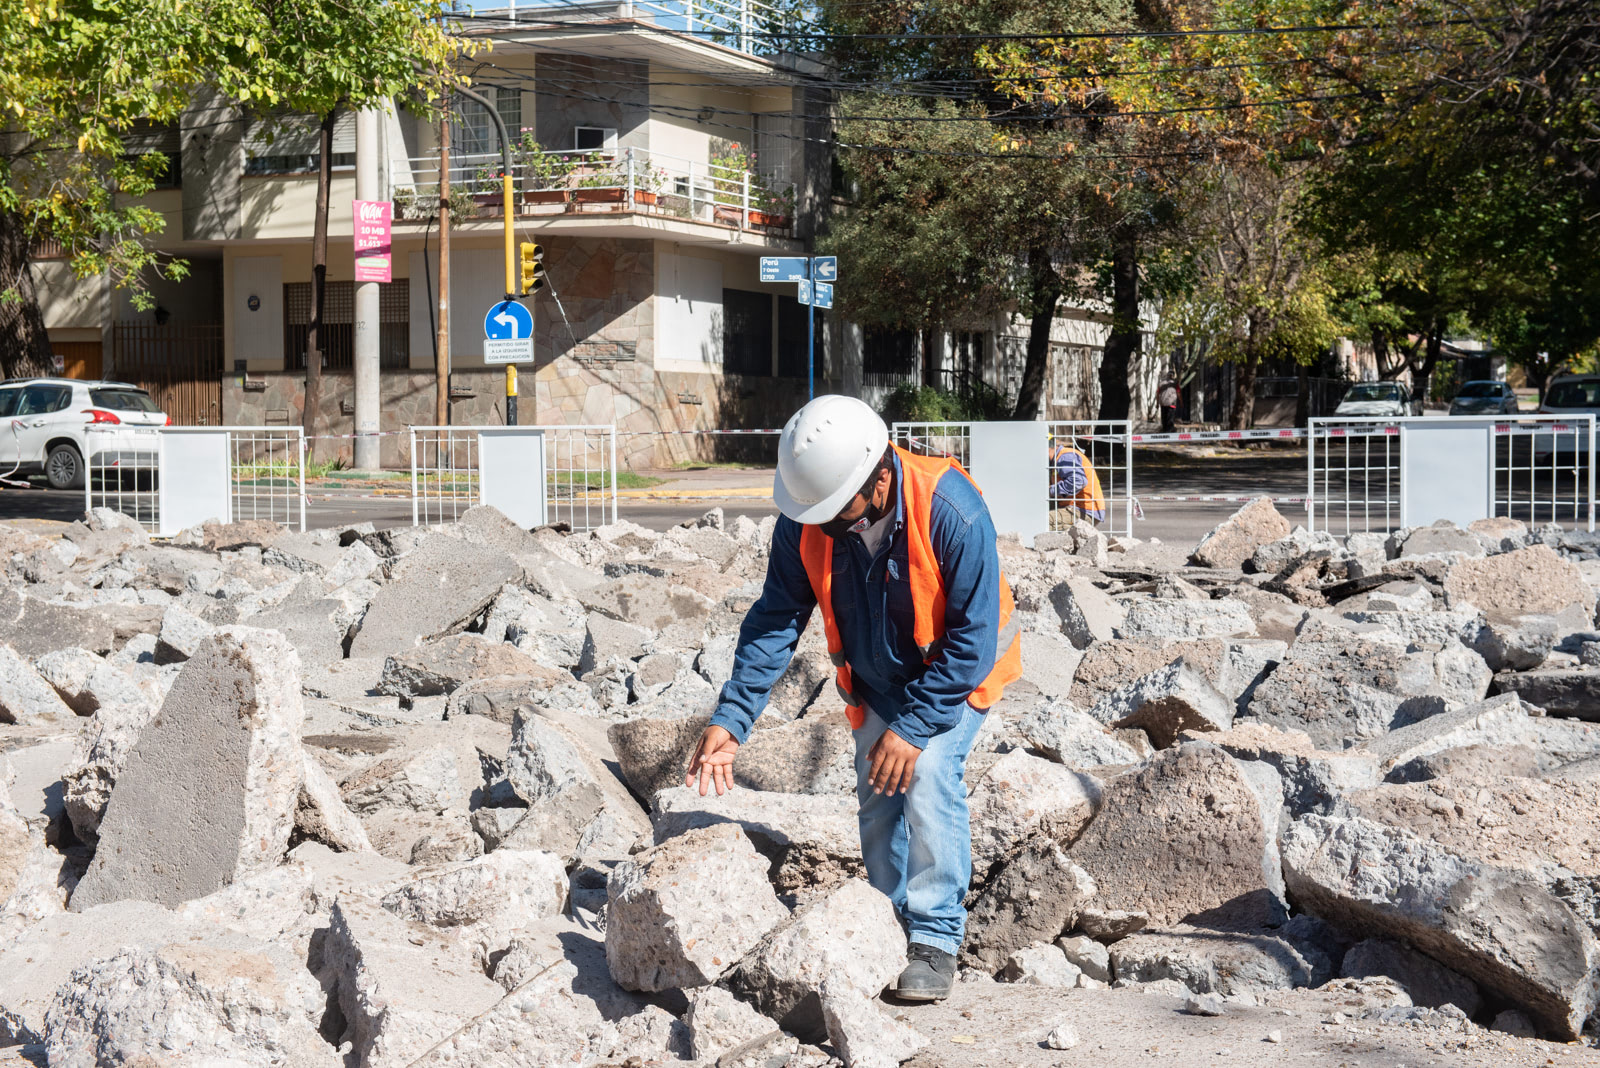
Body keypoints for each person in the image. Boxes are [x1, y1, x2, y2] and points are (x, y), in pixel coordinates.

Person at [684, 395, 1022, 1002]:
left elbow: (972, 639)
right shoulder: (809, 518)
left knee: (928, 775)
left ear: (881, 479)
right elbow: (776, 619)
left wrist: (914, 727)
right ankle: (888, 921)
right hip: (878, 679)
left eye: (837, 512)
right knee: (878, 795)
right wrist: (733, 718)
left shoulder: (952, 509)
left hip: (958, 672)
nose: (825, 526)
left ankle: (935, 938)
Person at [1048, 435, 1106, 528]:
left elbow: (1078, 481)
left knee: (1041, 521)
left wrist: (1051, 491)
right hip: (1076, 508)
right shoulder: (1058, 458)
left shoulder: (1065, 456)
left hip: (1083, 511)